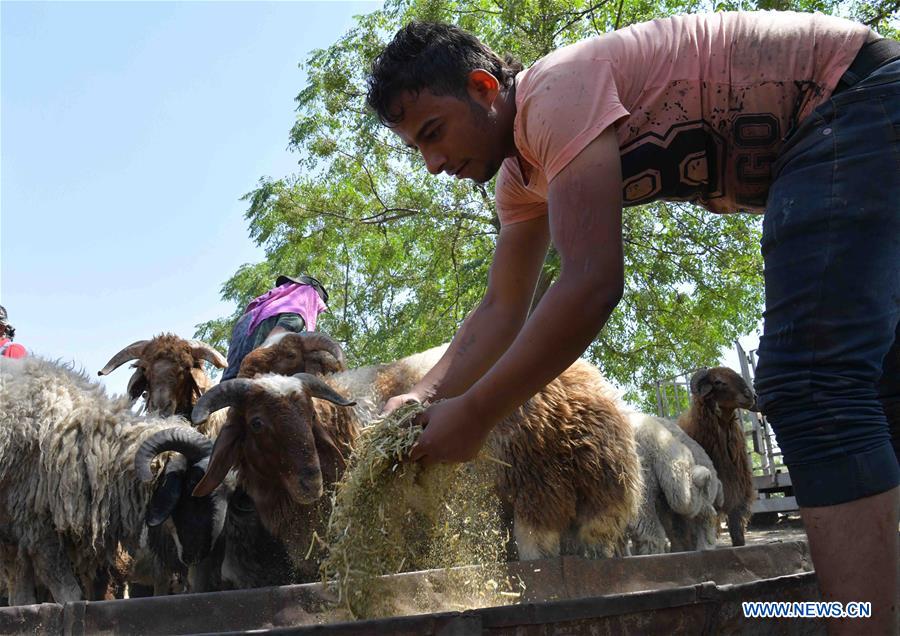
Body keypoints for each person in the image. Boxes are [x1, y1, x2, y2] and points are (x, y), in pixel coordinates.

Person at [367, 12, 899, 634]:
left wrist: (477, 414)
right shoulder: (521, 178)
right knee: (877, 396)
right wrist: (426, 395)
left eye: (435, 132)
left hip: (850, 97)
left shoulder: (552, 92)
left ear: (485, 88)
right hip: (854, 119)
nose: (432, 163)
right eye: (417, 148)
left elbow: (592, 283)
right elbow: (499, 309)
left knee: (812, 384)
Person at [221, 274, 329, 381]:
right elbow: (266, 350)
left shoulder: (248, 316)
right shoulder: (295, 313)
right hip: (247, 384)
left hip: (225, 387)